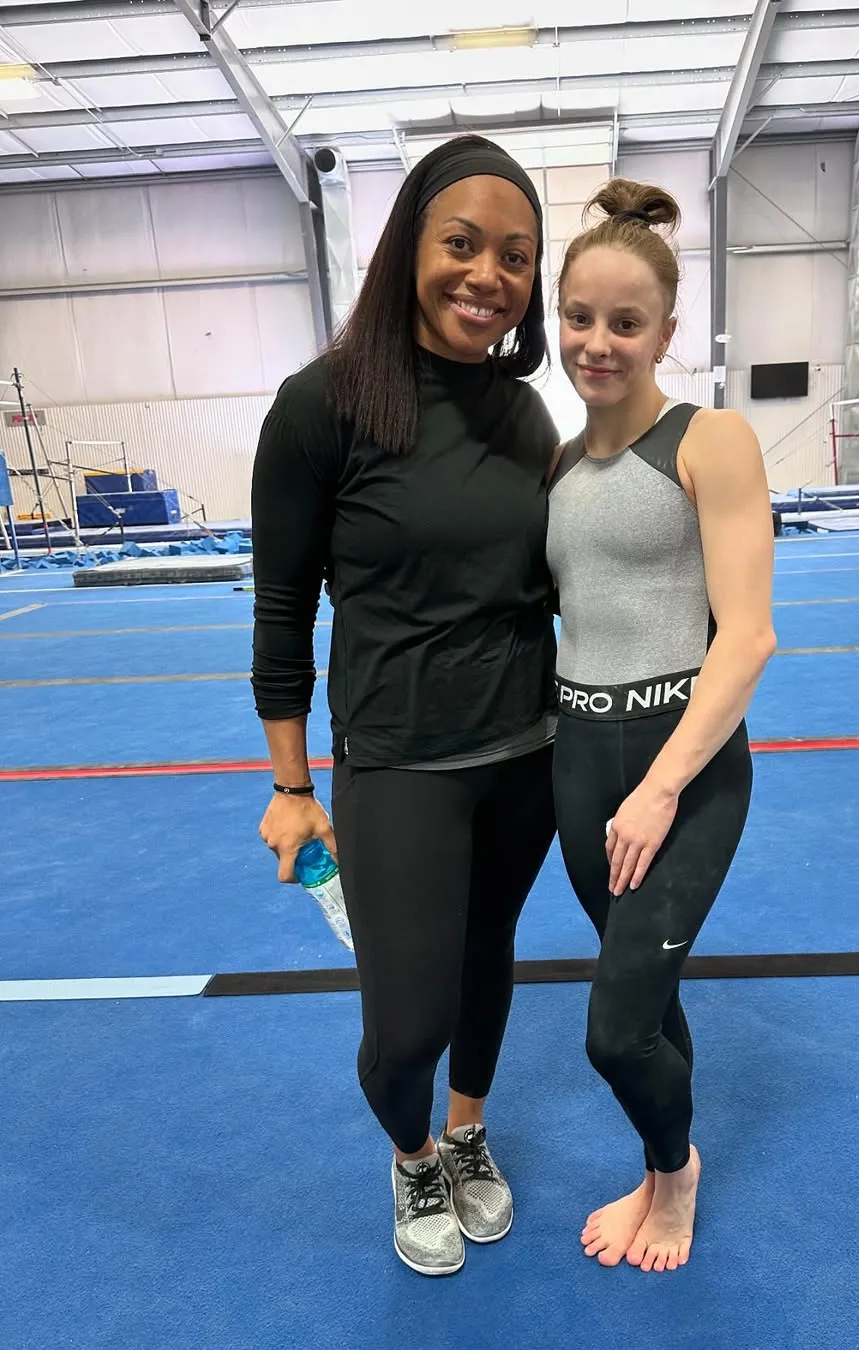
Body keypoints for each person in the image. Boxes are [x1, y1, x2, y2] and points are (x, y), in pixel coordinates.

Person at [250, 135, 561, 1277]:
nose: (488, 276)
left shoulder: (526, 420)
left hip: (526, 754)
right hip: (396, 766)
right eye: (463, 245)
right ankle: (415, 1148)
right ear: (410, 249)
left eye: (516, 258)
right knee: (404, 1028)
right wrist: (292, 788)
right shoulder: (321, 408)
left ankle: (468, 1133)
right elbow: (281, 617)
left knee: (490, 959)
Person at [547, 180, 776, 1273]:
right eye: (579, 318)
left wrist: (662, 785)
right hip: (580, 762)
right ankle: (653, 1165)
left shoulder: (710, 439)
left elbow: (747, 640)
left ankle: (675, 1176)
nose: (598, 342)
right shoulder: (556, 470)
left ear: (665, 333)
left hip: (678, 777)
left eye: (625, 323)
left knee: (613, 1026)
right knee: (649, 988)